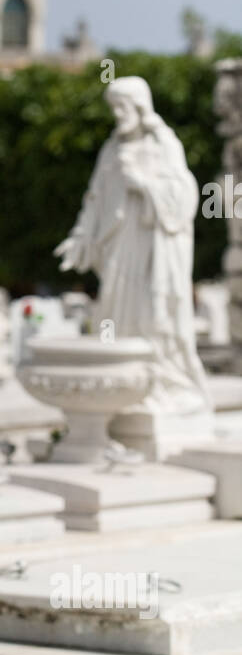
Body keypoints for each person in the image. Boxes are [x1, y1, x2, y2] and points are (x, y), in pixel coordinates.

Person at [55, 76, 210, 415]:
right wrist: (81, 236)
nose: (118, 114)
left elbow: (184, 195)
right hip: (118, 246)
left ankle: (160, 382)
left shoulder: (163, 143)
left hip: (152, 247)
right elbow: (94, 199)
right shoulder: (111, 149)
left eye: (123, 107)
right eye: (114, 108)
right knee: (114, 313)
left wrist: (145, 185)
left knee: (153, 316)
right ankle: (121, 387)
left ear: (140, 106)